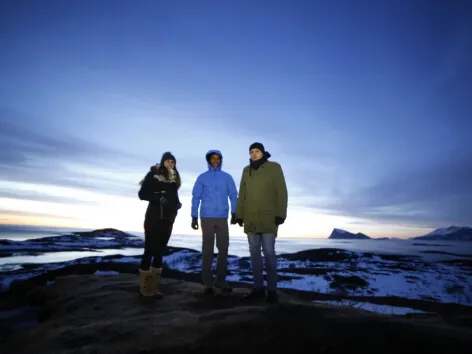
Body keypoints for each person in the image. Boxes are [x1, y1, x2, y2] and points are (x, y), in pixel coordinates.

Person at [235, 142, 288, 303]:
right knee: (254, 255)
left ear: (263, 153)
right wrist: (239, 214)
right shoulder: (246, 170)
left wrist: (281, 213)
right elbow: (242, 193)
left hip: (268, 218)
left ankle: (272, 291)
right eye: (251, 151)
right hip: (250, 219)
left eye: (257, 151)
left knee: (269, 253)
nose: (254, 154)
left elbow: (282, 191)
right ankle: (258, 289)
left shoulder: (274, 167)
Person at [191, 149, 238, 294]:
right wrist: (194, 216)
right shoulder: (202, 178)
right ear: (208, 160)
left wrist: (235, 212)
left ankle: (220, 280)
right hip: (207, 217)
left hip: (222, 217)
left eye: (218, 158)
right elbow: (196, 197)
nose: (216, 160)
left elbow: (233, 195)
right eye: (213, 158)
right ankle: (207, 283)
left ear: (221, 160)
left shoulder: (227, 177)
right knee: (208, 250)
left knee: (223, 249)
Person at [138, 151, 182, 298]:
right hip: (153, 219)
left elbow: (173, 198)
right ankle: (145, 289)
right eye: (168, 161)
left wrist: (177, 205)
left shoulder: (173, 180)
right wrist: (158, 198)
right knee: (149, 251)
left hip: (167, 221)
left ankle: (154, 288)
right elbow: (142, 194)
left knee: (159, 253)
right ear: (163, 162)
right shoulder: (153, 175)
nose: (170, 164)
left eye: (172, 162)